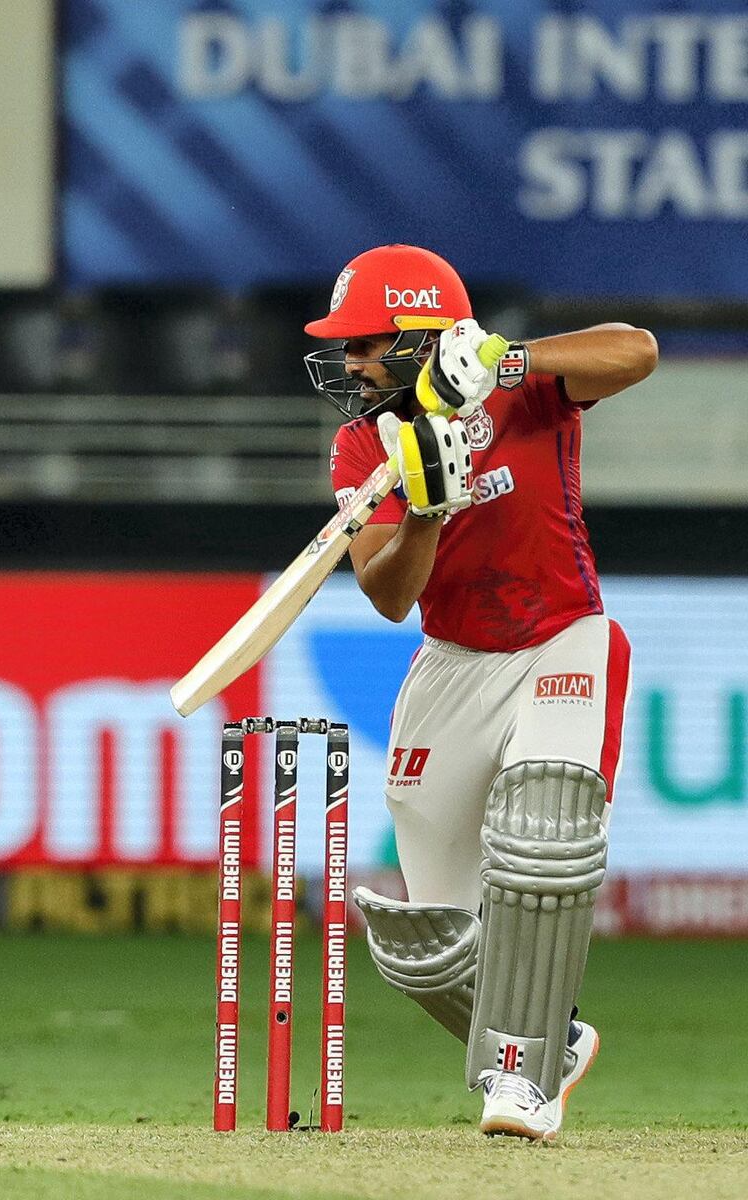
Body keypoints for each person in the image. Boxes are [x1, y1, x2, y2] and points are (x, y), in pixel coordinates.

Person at [304, 243, 658, 1140]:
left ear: (422, 340)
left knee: (546, 827)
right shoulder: (359, 446)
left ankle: (519, 1086)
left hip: (560, 637)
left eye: (364, 344)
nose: (349, 365)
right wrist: (426, 507)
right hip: (451, 660)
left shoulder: (523, 391)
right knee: (427, 945)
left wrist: (510, 356)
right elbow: (387, 595)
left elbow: (638, 351)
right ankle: (553, 1043)